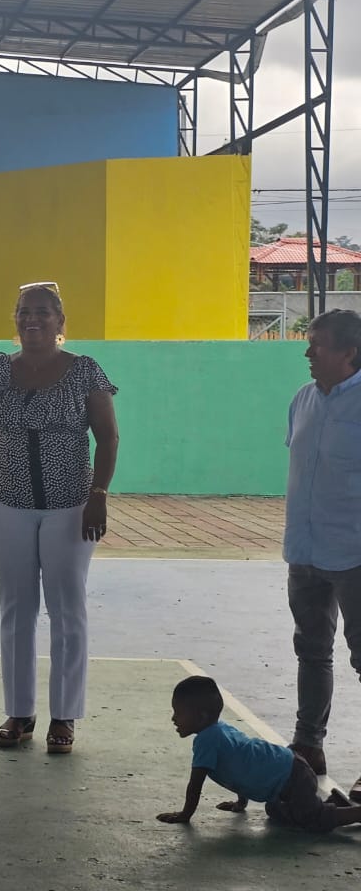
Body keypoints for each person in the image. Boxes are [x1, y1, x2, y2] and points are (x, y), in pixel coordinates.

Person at [0, 283, 118, 755]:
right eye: (24, 311)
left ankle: (64, 716)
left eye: (43, 312)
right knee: (16, 608)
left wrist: (98, 494)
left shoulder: (85, 370)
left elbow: (107, 437)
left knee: (67, 609)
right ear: (15, 319)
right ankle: (19, 713)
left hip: (71, 505)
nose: (32, 319)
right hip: (8, 504)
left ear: (60, 321)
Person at [281, 308, 361, 797]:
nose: (308, 353)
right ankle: (307, 745)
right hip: (305, 550)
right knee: (311, 651)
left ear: (349, 352)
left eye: (318, 345)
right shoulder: (303, 399)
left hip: (354, 553)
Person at [157, 675, 361, 831]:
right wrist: (241, 802)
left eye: (178, 713)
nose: (174, 719)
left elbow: (195, 785)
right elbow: (242, 764)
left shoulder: (206, 741)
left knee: (313, 821)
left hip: (292, 777)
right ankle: (336, 804)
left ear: (201, 717)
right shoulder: (220, 730)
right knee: (274, 810)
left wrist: (185, 815)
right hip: (291, 767)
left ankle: (355, 813)